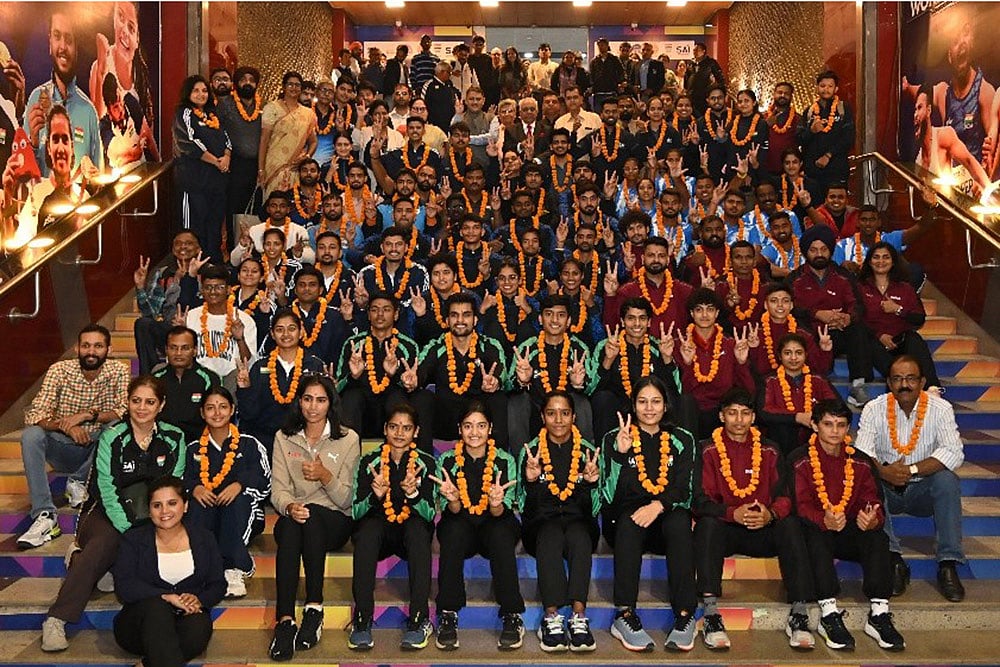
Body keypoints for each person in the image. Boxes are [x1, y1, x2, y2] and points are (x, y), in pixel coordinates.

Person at [39, 376, 187, 652]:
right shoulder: (112, 436)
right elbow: (107, 489)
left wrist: (157, 521)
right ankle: (57, 618)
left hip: (155, 513)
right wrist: (130, 529)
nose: (142, 408)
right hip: (105, 511)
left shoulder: (174, 437)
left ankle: (110, 567)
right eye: (136, 401)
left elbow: (173, 485)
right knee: (105, 543)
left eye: (150, 402)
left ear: (161, 405)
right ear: (127, 403)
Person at [695, 389, 817, 651]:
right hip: (726, 528)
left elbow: (785, 496)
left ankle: (799, 613)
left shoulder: (770, 449)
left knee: (790, 524)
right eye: (732, 413)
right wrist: (732, 513)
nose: (739, 420)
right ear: (721, 416)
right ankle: (711, 613)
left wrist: (769, 514)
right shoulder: (707, 450)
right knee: (707, 524)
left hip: (763, 528)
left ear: (753, 417)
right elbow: (700, 500)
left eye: (745, 413)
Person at [790, 399, 906, 652]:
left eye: (841, 425)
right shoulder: (800, 459)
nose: (835, 431)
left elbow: (872, 500)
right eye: (828, 424)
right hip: (815, 532)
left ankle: (879, 613)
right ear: (815, 426)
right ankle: (828, 613)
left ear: (848, 429)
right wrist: (824, 519)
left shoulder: (860, 461)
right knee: (816, 532)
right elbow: (799, 504)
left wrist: (872, 518)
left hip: (848, 529)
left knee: (877, 536)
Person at [854, 355, 966, 602]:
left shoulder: (940, 409)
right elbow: (862, 453)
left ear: (922, 382)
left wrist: (911, 470)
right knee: (867, 481)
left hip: (923, 490)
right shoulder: (874, 408)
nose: (904, 384)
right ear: (889, 383)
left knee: (947, 480)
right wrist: (884, 472)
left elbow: (953, 452)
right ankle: (894, 560)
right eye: (897, 379)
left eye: (911, 378)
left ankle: (948, 564)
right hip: (886, 490)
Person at [602, 376, 698, 652]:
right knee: (629, 523)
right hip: (627, 519)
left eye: (656, 401)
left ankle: (685, 615)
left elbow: (685, 490)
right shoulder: (616, 437)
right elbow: (608, 496)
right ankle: (624, 614)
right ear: (633, 405)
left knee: (680, 522)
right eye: (642, 402)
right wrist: (620, 454)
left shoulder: (682, 439)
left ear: (666, 405)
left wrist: (657, 505)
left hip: (666, 514)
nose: (649, 408)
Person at [268, 375, 361, 660]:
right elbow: (278, 490)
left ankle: (313, 607)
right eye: (307, 399)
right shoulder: (283, 437)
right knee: (293, 525)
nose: (313, 406)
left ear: (330, 404)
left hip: (334, 520)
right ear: (299, 402)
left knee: (312, 518)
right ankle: (285, 621)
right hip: (295, 517)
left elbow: (347, 499)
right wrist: (289, 506)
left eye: (321, 400)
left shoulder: (348, 439)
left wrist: (325, 476)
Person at [18, 324, 130, 549]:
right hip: (64, 448)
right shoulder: (59, 370)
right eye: (86, 346)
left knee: (119, 426)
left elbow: (124, 409)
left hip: (98, 450)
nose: (91, 351)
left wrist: (87, 415)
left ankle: (79, 481)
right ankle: (45, 515)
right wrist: (66, 427)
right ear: (76, 348)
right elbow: (35, 413)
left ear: (108, 350)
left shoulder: (119, 370)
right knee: (31, 435)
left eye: (98, 346)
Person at [431, 402, 525, 651]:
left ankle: (511, 614)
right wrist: (453, 499)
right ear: (459, 429)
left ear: (490, 428)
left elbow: (501, 512)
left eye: (481, 426)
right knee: (452, 531)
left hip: (495, 521)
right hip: (461, 522)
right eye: (468, 426)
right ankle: (448, 612)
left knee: (501, 533)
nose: (474, 433)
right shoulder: (447, 461)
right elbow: (452, 510)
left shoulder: (504, 460)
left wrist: (495, 503)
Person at [349, 402, 438, 651]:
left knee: (419, 531)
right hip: (380, 531)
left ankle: (418, 620)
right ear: (385, 429)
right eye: (394, 427)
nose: (399, 433)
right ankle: (362, 620)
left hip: (411, 530)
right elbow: (356, 512)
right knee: (367, 532)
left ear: (416, 432)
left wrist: (413, 495)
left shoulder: (427, 463)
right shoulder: (369, 461)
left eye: (406, 428)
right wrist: (375, 497)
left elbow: (430, 513)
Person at [517, 391, 602, 652]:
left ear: (574, 417)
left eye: (564, 413)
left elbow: (595, 508)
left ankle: (578, 616)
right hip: (540, 525)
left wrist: (590, 484)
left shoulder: (588, 452)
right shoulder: (531, 451)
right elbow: (524, 506)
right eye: (551, 413)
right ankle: (551, 617)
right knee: (550, 534)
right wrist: (531, 482)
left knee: (579, 536)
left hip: (579, 521)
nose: (558, 420)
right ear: (542, 417)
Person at [112, 476, 226, 667]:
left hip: (183, 622)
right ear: (149, 510)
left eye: (172, 503)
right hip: (138, 626)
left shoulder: (204, 538)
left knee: (199, 626)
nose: (164, 511)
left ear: (185, 506)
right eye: (157, 505)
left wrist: (199, 600)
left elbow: (218, 584)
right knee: (157, 608)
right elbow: (125, 587)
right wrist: (165, 596)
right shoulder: (133, 539)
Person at [183, 387, 270, 599]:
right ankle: (203, 568)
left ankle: (235, 568)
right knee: (196, 505)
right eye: (210, 408)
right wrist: (195, 488)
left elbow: (265, 483)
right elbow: (183, 480)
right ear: (202, 413)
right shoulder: (193, 449)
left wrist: (240, 485)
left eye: (222, 407)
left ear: (232, 410)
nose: (217, 413)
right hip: (209, 514)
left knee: (237, 502)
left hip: (244, 513)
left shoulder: (250, 444)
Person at [405, 293, 509, 450]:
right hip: (446, 420)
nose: (460, 320)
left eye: (466, 315)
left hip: (478, 421)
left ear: (475, 320)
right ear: (447, 321)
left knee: (498, 398)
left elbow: (502, 372)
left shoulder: (489, 346)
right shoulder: (436, 346)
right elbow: (421, 371)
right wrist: (414, 379)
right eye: (454, 315)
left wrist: (495, 381)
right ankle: (424, 458)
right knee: (422, 397)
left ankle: (498, 459)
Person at [789, 224, 870, 406]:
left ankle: (858, 386)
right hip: (811, 332)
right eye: (814, 250)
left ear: (831, 251)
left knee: (858, 329)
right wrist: (817, 314)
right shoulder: (795, 278)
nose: (819, 254)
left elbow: (858, 305)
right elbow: (789, 307)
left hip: (840, 331)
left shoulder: (844, 276)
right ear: (806, 252)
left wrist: (848, 317)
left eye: (824, 249)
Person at [24, 8, 102, 176]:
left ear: (76, 47)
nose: (63, 47)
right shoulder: (35, 101)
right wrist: (34, 144)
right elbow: (23, 177)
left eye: (69, 39)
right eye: (57, 36)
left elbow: (100, 179)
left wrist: (92, 175)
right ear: (50, 42)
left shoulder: (88, 111)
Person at [236, 308, 325, 453]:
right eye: (279, 329)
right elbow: (248, 414)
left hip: (304, 439)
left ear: (301, 332)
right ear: (272, 334)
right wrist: (245, 388)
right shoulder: (260, 367)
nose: (286, 334)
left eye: (291, 329)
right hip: (265, 440)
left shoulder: (315, 365)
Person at [511, 295, 594, 446]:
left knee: (581, 402)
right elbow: (507, 384)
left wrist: (579, 385)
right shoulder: (527, 348)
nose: (555, 320)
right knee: (517, 403)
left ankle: (585, 454)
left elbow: (592, 386)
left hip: (567, 409)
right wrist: (522, 381)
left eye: (561, 315)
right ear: (540, 319)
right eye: (549, 314)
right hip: (536, 407)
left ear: (568, 321)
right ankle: (522, 457)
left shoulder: (579, 349)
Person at [857, 242, 942, 389]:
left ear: (893, 262)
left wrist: (898, 309)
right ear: (869, 262)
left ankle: (932, 388)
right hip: (873, 341)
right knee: (865, 340)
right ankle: (897, 384)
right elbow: (856, 318)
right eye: (876, 257)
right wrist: (879, 336)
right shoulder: (860, 288)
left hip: (900, 340)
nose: (881, 261)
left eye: (886, 257)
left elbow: (919, 318)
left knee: (914, 339)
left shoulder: (905, 288)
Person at [337, 292, 420, 436]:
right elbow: (338, 387)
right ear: (368, 315)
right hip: (361, 409)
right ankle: (348, 449)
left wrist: (395, 374)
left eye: (386, 310)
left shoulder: (408, 346)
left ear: (396, 315)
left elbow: (412, 387)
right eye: (374, 310)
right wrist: (353, 376)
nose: (380, 314)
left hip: (393, 405)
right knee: (352, 397)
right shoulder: (353, 344)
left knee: (397, 398)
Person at [675, 288, 754, 438]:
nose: (705, 315)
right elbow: (679, 391)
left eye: (710, 309)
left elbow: (748, 391)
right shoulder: (681, 345)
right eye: (699, 310)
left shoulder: (731, 344)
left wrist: (741, 362)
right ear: (692, 314)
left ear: (717, 313)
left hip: (722, 409)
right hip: (692, 411)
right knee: (686, 402)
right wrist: (687, 364)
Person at [759, 333, 840, 456]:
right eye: (788, 353)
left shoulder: (818, 379)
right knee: (781, 428)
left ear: (806, 355)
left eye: (798, 353)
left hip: (813, 437)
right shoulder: (769, 381)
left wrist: (815, 416)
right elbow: (764, 413)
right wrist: (796, 417)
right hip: (780, 439)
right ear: (780, 356)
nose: (793, 358)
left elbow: (835, 406)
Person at [133, 233, 203, 373]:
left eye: (188, 243)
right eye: (178, 243)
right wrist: (140, 288)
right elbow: (150, 313)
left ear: (198, 249)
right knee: (143, 323)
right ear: (173, 249)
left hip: (200, 328)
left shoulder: (208, 271)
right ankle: (151, 375)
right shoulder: (163, 273)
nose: (183, 247)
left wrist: (188, 280)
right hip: (169, 329)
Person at [603, 235, 694, 335]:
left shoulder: (684, 291)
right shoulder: (627, 291)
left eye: (661, 256)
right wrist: (611, 295)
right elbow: (613, 328)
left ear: (668, 259)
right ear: (643, 259)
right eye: (651, 255)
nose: (656, 260)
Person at [184, 264, 257, 386]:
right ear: (202, 290)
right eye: (208, 287)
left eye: (219, 287)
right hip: (198, 378)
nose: (213, 292)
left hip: (232, 379)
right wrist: (180, 330)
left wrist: (240, 339)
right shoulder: (190, 317)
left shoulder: (244, 320)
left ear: (228, 289)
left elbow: (248, 362)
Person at [217, 66, 263, 251]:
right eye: (243, 80)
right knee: (234, 209)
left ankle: (253, 251)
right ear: (236, 84)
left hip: (256, 166)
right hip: (234, 166)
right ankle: (234, 251)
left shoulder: (262, 106)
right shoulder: (226, 105)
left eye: (252, 80)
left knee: (254, 208)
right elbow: (218, 132)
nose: (248, 83)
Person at [151, 326, 222, 443]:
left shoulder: (209, 378)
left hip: (199, 442)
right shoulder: (156, 378)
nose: (178, 353)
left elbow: (216, 415)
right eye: (173, 348)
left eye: (185, 348)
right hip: (163, 442)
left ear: (195, 351)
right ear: (166, 350)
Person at [750, 282, 833, 379]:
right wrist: (753, 349)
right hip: (765, 384)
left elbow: (819, 370)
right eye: (774, 301)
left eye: (785, 301)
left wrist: (825, 351)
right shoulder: (756, 335)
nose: (780, 305)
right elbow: (751, 372)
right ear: (765, 305)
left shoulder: (803, 335)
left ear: (791, 305)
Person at [259, 71, 317, 197]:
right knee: (274, 202)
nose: (294, 88)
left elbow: (313, 141)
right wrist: (261, 169)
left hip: (295, 167)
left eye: (297, 85)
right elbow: (264, 140)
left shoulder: (307, 114)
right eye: (290, 84)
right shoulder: (272, 108)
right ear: (284, 87)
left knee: (294, 202)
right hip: (273, 165)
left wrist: (307, 156)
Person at [797, 71, 854, 196]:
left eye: (830, 86)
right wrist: (811, 131)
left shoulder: (843, 109)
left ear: (836, 89)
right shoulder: (809, 111)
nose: (826, 89)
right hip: (813, 171)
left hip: (837, 169)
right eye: (822, 86)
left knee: (836, 203)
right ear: (817, 88)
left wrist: (828, 155)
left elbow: (848, 139)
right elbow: (799, 139)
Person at [683, 42, 724, 116]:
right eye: (694, 50)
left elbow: (720, 78)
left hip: (705, 96)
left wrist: (719, 91)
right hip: (692, 96)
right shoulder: (691, 64)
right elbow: (686, 79)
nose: (694, 52)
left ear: (703, 51)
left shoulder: (711, 63)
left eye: (697, 50)